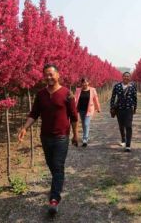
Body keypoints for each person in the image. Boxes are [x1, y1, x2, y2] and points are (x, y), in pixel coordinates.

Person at [18, 64, 78, 215]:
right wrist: (25, 128)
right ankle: (58, 182)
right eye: (46, 75)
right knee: (52, 166)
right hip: (45, 136)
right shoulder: (41, 94)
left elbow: (74, 116)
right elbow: (34, 114)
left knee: (57, 166)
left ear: (58, 75)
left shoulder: (67, 93)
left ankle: (54, 199)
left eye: (51, 74)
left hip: (61, 137)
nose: (49, 77)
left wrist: (75, 134)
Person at [110, 72, 137, 152]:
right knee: (121, 125)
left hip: (129, 109)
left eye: (128, 76)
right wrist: (112, 107)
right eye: (125, 76)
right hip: (119, 109)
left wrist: (135, 108)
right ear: (122, 77)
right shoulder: (117, 86)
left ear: (130, 78)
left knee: (128, 126)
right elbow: (113, 97)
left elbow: (135, 98)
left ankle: (128, 145)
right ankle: (123, 139)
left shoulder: (132, 86)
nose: (126, 77)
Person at [75, 77, 101, 147]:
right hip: (81, 109)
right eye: (83, 82)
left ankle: (85, 139)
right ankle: (85, 135)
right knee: (83, 124)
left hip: (89, 109)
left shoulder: (92, 90)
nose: (84, 84)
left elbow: (96, 99)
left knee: (86, 124)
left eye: (86, 82)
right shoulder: (78, 90)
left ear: (88, 82)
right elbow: (75, 99)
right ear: (81, 83)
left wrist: (98, 108)